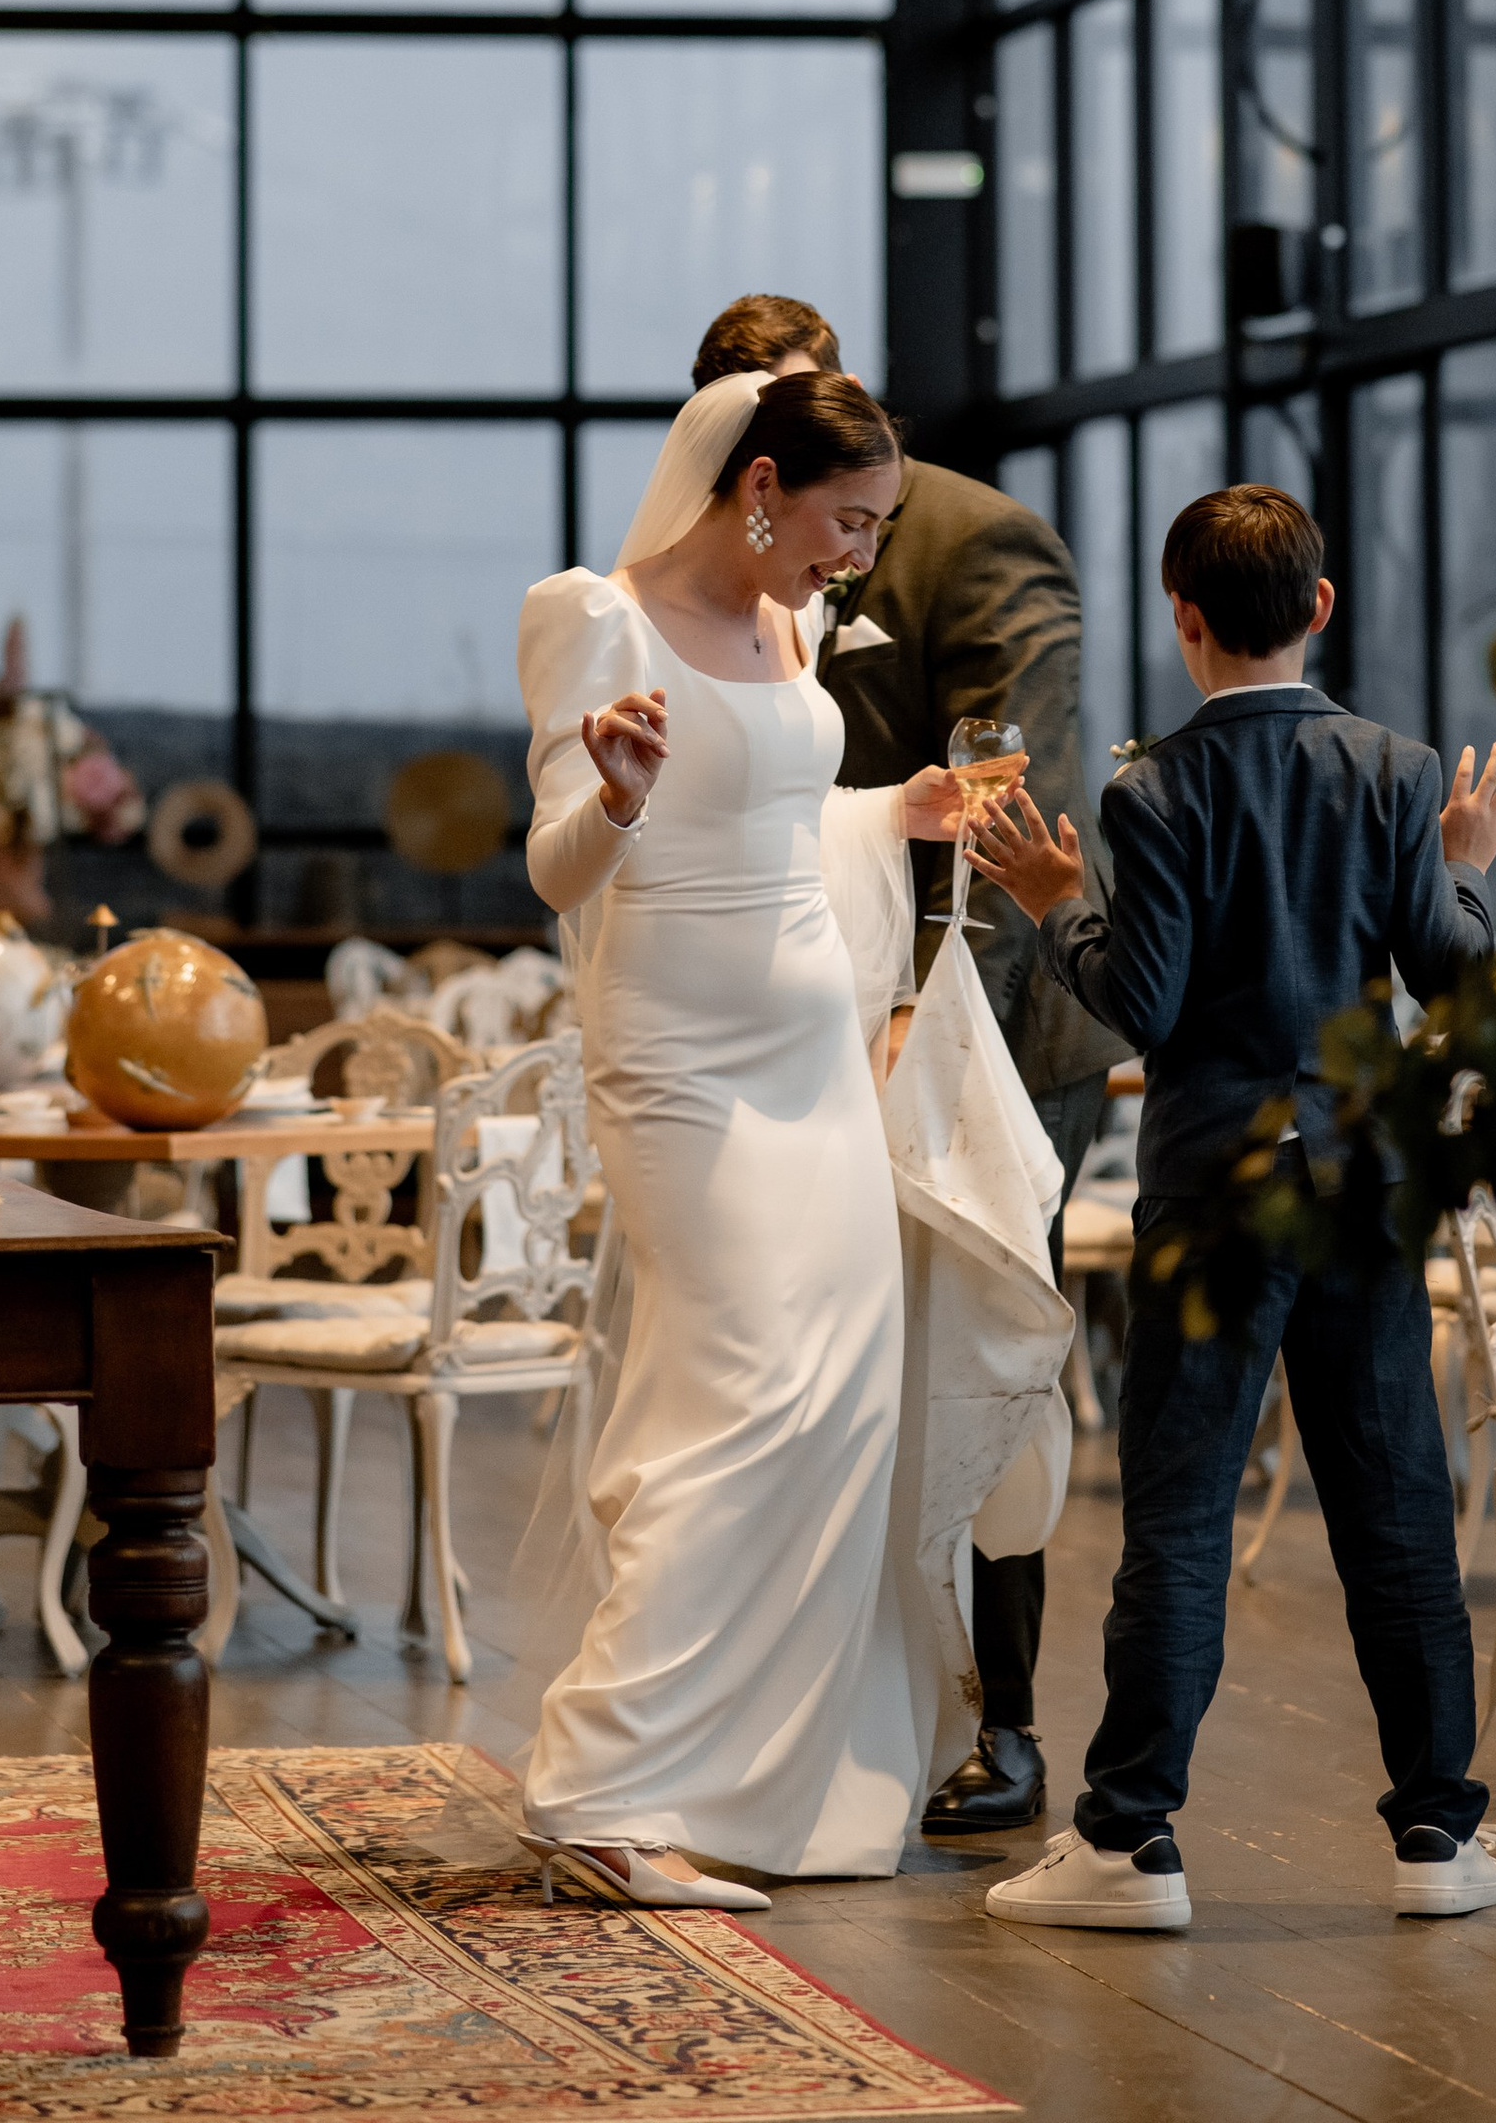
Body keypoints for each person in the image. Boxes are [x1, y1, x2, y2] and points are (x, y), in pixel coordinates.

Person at [514, 367, 1066, 1907]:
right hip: (683, 1073)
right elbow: (562, 873)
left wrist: (899, 814)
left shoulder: (780, 623)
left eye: (876, 528)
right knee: (743, 1398)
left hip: (817, 1060)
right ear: (760, 485)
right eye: (844, 520)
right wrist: (614, 801)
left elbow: (775, 811)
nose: (856, 557)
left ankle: (753, 1788)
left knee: (841, 1402)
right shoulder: (592, 618)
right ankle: (598, 1788)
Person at [965, 481, 1496, 1933]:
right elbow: (1452, 977)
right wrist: (1464, 873)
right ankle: (1438, 1840)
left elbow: (1137, 1003)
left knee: (1182, 1519)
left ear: (1184, 620)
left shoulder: (1151, 793)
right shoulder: (1400, 773)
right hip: (1361, 1186)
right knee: (1398, 1512)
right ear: (1322, 610)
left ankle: (1131, 1843)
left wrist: (1053, 898)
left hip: (1215, 1191)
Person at [689, 293, 1125, 1837]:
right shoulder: (714, 559)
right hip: (777, 1032)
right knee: (800, 1369)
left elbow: (1011, 807)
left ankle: (1001, 1724)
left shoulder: (974, 541)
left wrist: (918, 1005)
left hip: (970, 1032)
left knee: (974, 1360)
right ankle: (825, 1689)